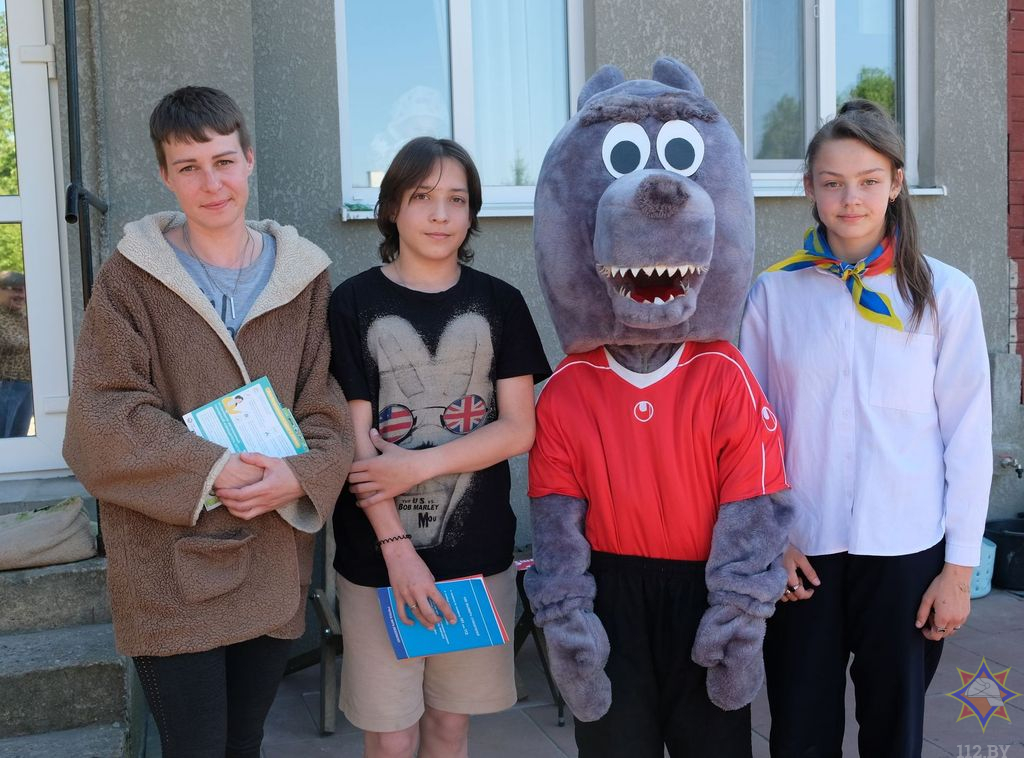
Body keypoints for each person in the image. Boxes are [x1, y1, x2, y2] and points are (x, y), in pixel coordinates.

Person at [63, 86, 353, 758]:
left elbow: (324, 407)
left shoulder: (303, 276)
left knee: (244, 742)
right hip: (168, 564)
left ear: (249, 159)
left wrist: (298, 477)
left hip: (269, 553)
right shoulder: (130, 278)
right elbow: (101, 415)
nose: (211, 183)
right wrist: (213, 468)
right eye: (189, 167)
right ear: (164, 176)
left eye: (223, 161)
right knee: (194, 747)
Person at [740, 99, 992, 757]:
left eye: (869, 180)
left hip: (907, 552)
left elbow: (967, 438)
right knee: (800, 733)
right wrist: (771, 541)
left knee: (894, 733)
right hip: (804, 550)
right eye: (833, 182)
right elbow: (749, 431)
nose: (850, 198)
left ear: (896, 183)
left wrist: (958, 571)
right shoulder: (774, 293)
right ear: (809, 188)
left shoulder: (946, 294)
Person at [328, 136, 550, 758]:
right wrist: (398, 552)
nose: (440, 214)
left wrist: (417, 466)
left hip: (474, 560)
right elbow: (356, 446)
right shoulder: (351, 303)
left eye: (456, 199)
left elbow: (519, 428)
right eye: (422, 197)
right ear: (392, 208)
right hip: (379, 563)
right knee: (391, 737)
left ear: (472, 212)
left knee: (450, 728)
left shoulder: (501, 303)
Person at [0, 270, 32, 437]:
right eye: (17, 290)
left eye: (25, 290)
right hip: (6, 386)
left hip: (28, 386)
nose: (22, 295)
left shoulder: (24, 317)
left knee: (20, 441)